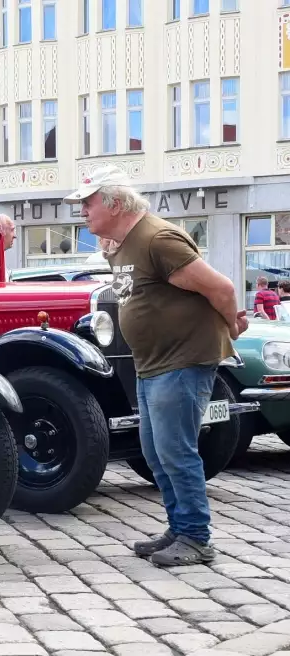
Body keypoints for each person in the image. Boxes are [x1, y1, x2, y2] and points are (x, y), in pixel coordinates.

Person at [64, 166, 246, 566]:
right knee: (155, 451)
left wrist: (232, 324)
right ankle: (179, 527)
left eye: (87, 202)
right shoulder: (126, 241)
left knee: (175, 451)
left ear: (113, 202)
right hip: (152, 363)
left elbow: (222, 288)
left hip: (182, 360)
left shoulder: (158, 238)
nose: (82, 211)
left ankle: (197, 537)